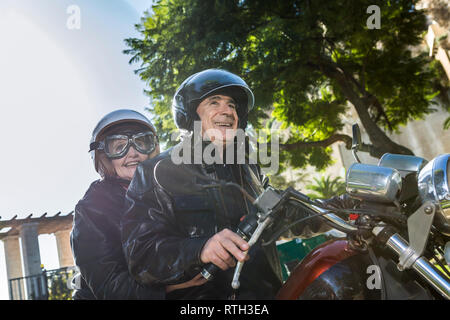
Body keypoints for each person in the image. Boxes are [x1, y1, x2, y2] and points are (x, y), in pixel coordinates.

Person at [121, 70, 332, 299]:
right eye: (214, 102)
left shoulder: (249, 169)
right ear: (191, 115)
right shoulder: (156, 170)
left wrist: (341, 207)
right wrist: (200, 249)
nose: (227, 111)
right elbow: (141, 256)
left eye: (232, 105)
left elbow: (286, 216)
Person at [70, 109, 205, 300]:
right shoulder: (92, 208)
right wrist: (169, 289)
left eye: (142, 143)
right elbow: (110, 285)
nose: (133, 153)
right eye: (119, 147)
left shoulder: (170, 190)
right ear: (104, 157)